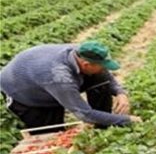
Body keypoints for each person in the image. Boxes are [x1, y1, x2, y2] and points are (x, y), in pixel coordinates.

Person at [0, 40, 140, 129]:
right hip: (24, 93)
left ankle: (103, 127)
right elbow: (85, 115)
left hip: (42, 78)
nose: (106, 69)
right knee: (50, 134)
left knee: (100, 78)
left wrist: (121, 93)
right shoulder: (59, 78)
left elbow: (105, 76)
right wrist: (126, 120)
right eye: (103, 66)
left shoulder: (80, 51)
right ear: (86, 65)